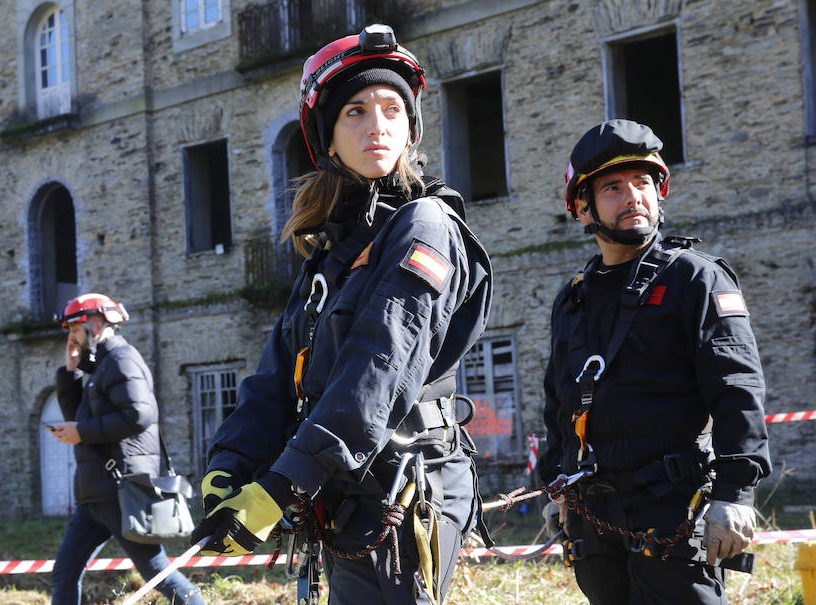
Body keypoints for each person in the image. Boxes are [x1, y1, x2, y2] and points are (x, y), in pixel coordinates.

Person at [189, 24, 493, 604]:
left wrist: (283, 481)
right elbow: (279, 372)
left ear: (410, 128)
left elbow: (378, 366)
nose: (377, 125)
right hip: (345, 486)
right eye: (355, 111)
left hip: (407, 488)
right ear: (326, 137)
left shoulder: (424, 226)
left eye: (391, 110)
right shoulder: (331, 254)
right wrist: (231, 464)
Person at [537, 119, 772, 604]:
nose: (633, 197)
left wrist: (735, 493)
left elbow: (737, 388)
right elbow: (559, 399)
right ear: (582, 208)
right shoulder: (573, 300)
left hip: (672, 512)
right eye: (613, 187)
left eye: (643, 183)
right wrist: (555, 486)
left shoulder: (695, 280)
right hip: (594, 519)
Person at [49, 292, 203, 605]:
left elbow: (139, 414)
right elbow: (77, 417)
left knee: (157, 571)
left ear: (95, 324)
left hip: (120, 490)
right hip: (95, 495)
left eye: (75, 330)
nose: (72, 338)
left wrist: (82, 432)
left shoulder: (121, 359)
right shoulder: (102, 366)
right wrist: (71, 371)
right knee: (64, 574)